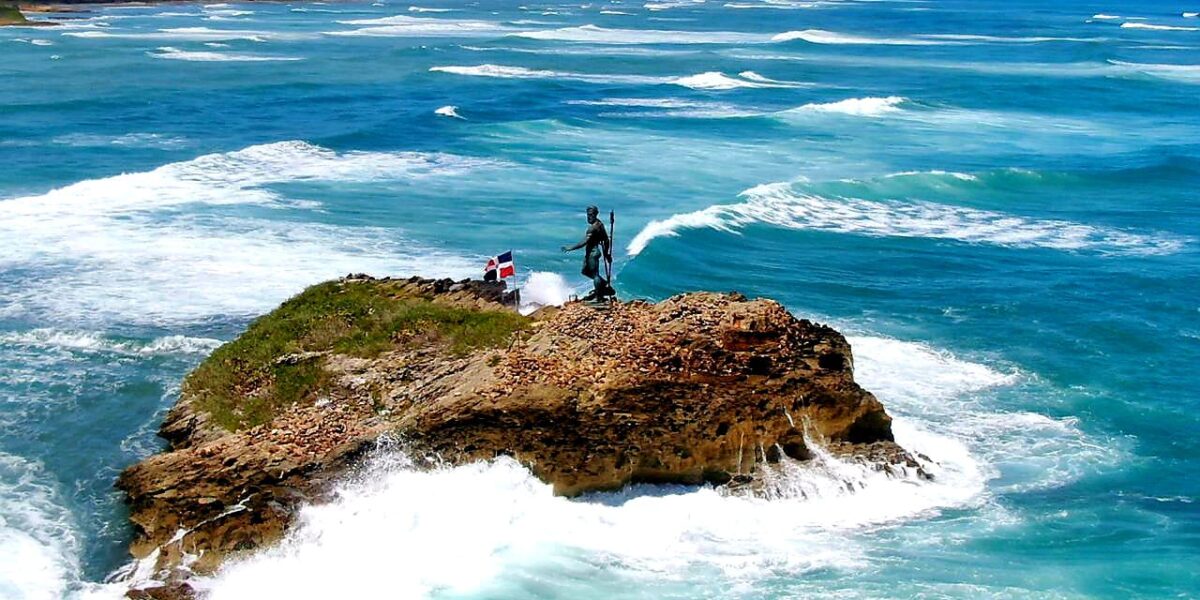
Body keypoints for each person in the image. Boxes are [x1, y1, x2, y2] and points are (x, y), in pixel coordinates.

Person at [561, 205, 614, 300]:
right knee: (585, 271)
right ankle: (603, 285)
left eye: (591, 215)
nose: (589, 217)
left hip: (592, 253)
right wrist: (606, 254)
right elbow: (606, 240)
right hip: (592, 253)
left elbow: (584, 242)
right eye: (588, 215)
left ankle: (599, 297)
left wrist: (570, 248)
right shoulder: (600, 224)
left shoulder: (592, 228)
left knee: (595, 275)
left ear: (595, 214)